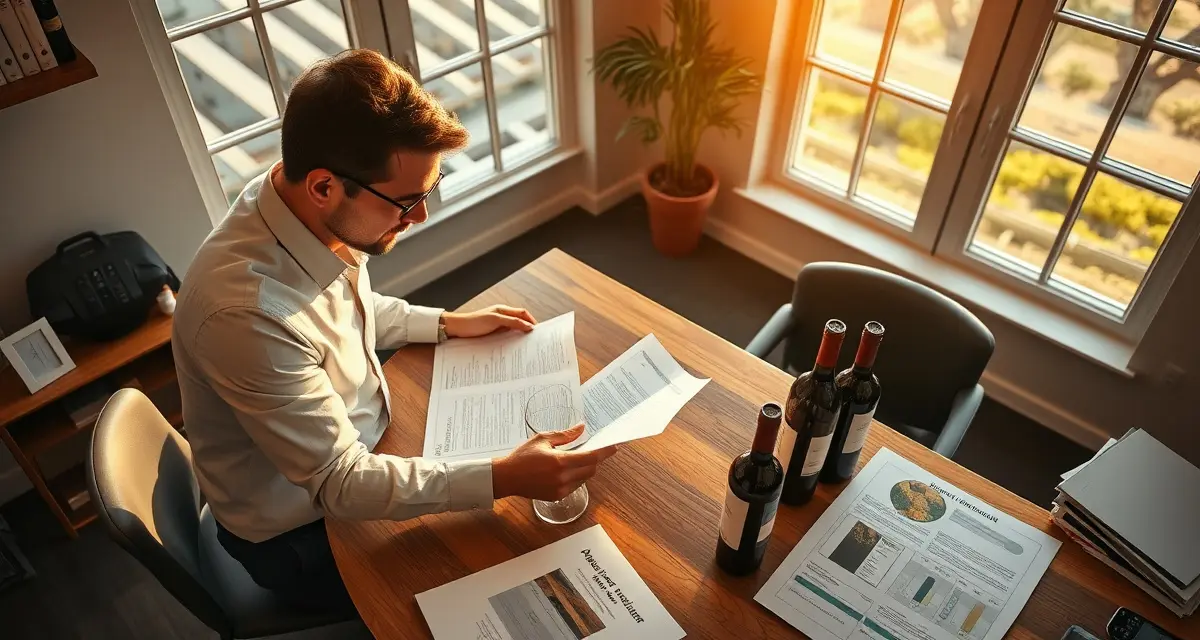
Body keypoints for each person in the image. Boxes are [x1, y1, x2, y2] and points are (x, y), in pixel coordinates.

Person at [171, 49, 617, 615]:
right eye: (406, 202)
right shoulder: (243, 315)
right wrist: (503, 477)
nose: (420, 218)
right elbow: (341, 484)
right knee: (499, 559)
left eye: (428, 192)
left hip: (359, 443)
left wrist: (448, 323)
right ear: (324, 187)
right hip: (301, 532)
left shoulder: (293, 203)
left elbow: (351, 309)